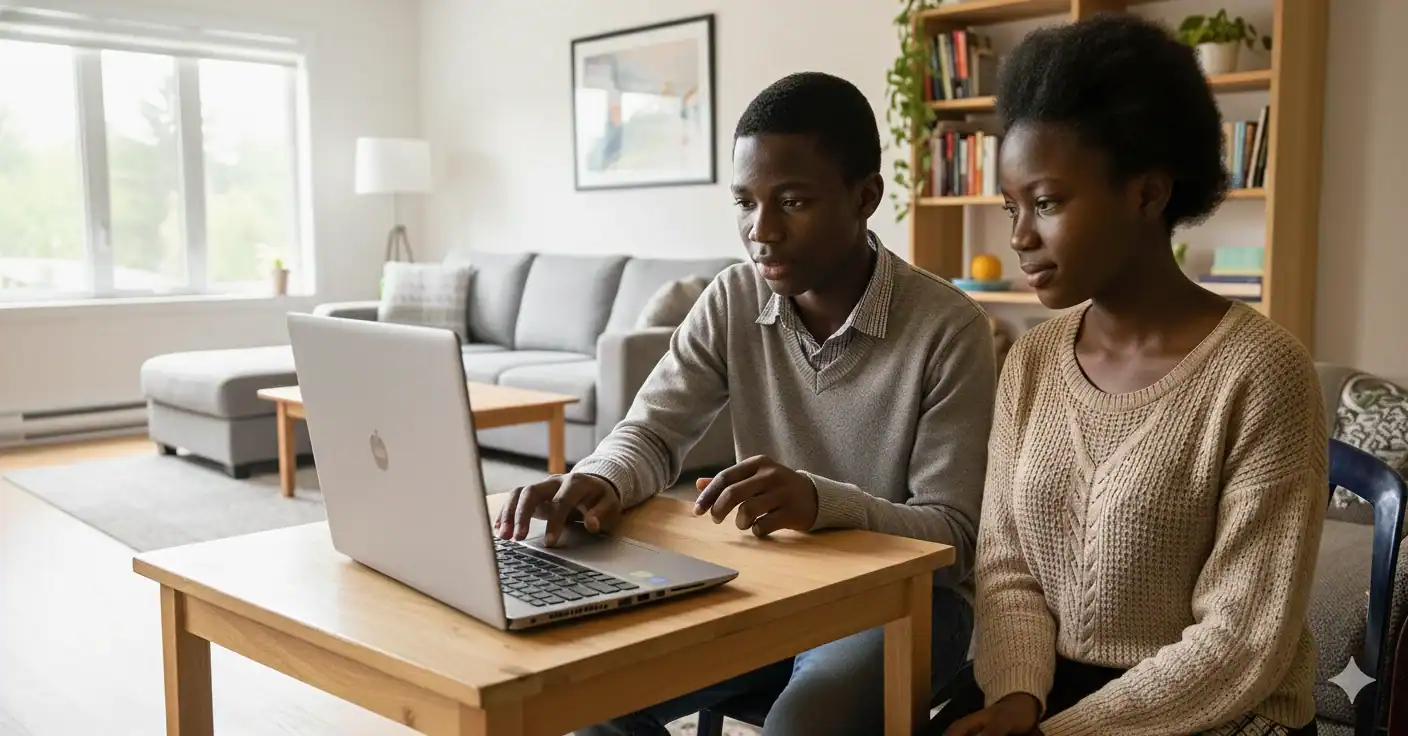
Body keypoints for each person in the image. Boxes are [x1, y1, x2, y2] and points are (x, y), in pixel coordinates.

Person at [496, 71, 998, 735]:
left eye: (791, 202)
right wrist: (596, 477)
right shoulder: (733, 298)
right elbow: (650, 433)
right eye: (744, 202)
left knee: (805, 722)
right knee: (586, 692)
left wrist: (822, 504)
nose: (761, 230)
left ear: (864, 197)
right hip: (768, 583)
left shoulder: (949, 328)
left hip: (906, 603)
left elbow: (956, 539)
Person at [929, 14, 1327, 736]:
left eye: (1046, 203)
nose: (1019, 237)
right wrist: (1017, 698)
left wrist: (1057, 731)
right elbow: (1006, 565)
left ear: (1147, 195)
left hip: (1219, 707)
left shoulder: (1263, 373)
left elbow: (1241, 641)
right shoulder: (1031, 360)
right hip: (1046, 690)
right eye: (1011, 207)